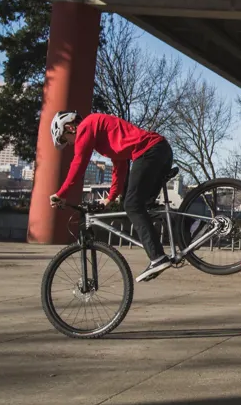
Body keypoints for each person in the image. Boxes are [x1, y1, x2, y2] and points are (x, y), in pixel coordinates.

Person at [48, 111, 174, 283]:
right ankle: (192, 228)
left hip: (148, 152)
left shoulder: (86, 126)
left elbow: (79, 162)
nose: (68, 144)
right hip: (161, 149)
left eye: (64, 139)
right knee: (147, 206)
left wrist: (61, 194)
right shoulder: (104, 135)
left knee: (131, 205)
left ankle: (158, 257)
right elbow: (120, 165)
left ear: (69, 127)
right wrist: (110, 197)